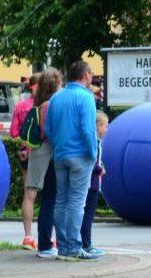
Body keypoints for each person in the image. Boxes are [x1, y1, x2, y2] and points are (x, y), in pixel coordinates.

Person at [45, 60, 99, 261]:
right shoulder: (86, 98)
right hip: (81, 156)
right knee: (77, 202)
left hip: (60, 155)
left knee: (61, 201)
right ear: (85, 75)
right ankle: (75, 247)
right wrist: (93, 153)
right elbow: (88, 129)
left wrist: (59, 145)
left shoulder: (56, 98)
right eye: (91, 73)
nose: (92, 77)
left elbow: (48, 129)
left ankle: (63, 246)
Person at [25, 68, 63, 259]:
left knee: (48, 199)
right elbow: (49, 132)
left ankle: (46, 242)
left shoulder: (40, 102)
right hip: (50, 154)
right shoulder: (51, 104)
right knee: (51, 198)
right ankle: (46, 244)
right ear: (55, 83)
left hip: (41, 154)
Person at [9, 72, 40, 250]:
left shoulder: (21, 106)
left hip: (25, 152)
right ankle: (51, 237)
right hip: (43, 153)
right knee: (51, 196)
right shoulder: (47, 106)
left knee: (29, 195)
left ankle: (28, 237)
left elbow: (14, 132)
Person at [80, 111, 109, 257]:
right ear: (98, 126)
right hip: (92, 184)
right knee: (88, 215)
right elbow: (91, 162)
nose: (107, 129)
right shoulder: (95, 144)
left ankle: (85, 242)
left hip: (93, 183)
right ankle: (86, 243)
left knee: (87, 214)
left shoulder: (97, 143)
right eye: (105, 125)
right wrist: (100, 169)